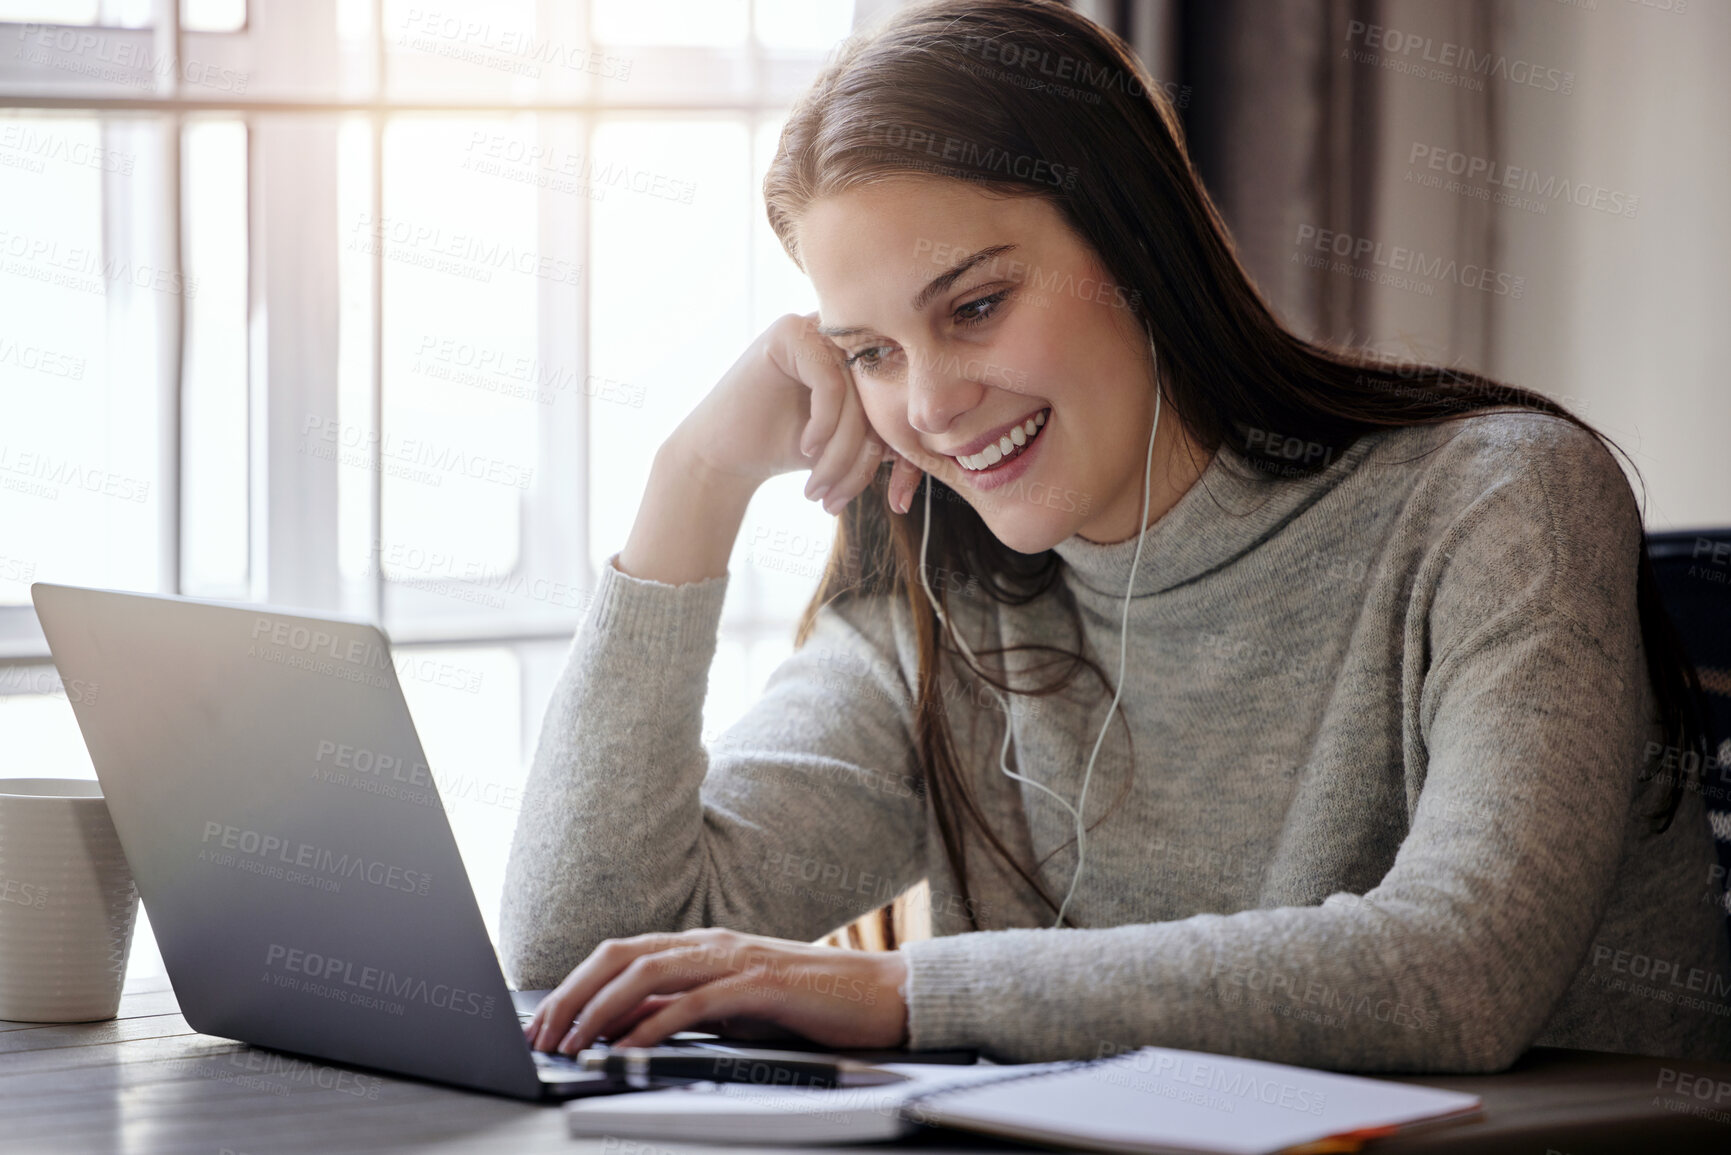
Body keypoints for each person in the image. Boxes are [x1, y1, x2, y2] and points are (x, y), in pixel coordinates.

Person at [503, 0, 1730, 1072]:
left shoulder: (1499, 502)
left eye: (976, 306)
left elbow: (1461, 971)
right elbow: (583, 957)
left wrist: (903, 994)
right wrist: (696, 481)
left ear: (1139, 248)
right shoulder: (940, 605)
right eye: (871, 352)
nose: (926, 406)